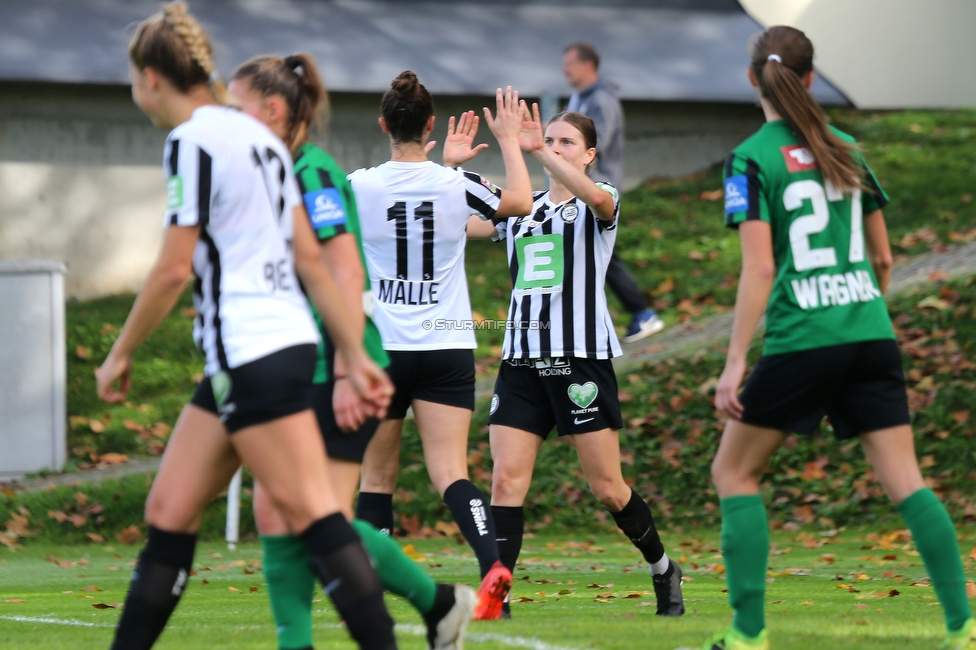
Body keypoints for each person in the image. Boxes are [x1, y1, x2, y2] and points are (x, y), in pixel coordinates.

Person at [95, 4, 398, 649]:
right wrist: (351, 349)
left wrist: (120, 352)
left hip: (249, 351)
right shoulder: (260, 140)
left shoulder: (192, 141)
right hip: (276, 344)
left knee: (314, 514)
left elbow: (175, 268)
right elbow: (309, 259)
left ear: (151, 78)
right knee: (169, 509)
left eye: (131, 80)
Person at [705, 25, 975, 650]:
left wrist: (734, 361)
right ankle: (962, 626)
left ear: (753, 79)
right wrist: (862, 316)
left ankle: (748, 633)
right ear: (809, 79)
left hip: (804, 337)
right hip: (869, 333)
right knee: (908, 483)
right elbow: (883, 260)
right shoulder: (847, 147)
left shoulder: (750, 158)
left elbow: (761, 268)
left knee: (733, 472)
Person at [227, 55, 475, 650]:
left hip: (332, 363)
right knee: (277, 511)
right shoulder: (274, 170)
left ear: (275, 109)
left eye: (236, 108)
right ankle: (436, 604)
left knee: (319, 517)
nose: (229, 122)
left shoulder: (320, 175)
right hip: (279, 358)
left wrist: (345, 366)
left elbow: (341, 271)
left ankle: (431, 605)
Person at [465, 104, 684, 619]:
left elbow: (600, 199)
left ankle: (662, 567)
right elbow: (462, 225)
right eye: (550, 141)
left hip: (580, 361)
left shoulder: (597, 203)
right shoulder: (523, 207)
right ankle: (499, 596)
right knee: (505, 480)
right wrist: (451, 170)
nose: (554, 148)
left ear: (588, 155)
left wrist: (537, 148)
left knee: (608, 489)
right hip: (520, 361)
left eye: (567, 143)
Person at [350, 72, 534, 621]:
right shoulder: (457, 185)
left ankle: (372, 591)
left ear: (384, 125)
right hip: (446, 347)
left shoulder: (358, 185)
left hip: (383, 349)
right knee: (451, 472)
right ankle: (492, 569)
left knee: (376, 479)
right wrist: (506, 141)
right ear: (431, 125)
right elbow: (520, 203)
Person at [563, 41, 663, 343]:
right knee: (590, 256)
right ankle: (630, 317)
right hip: (577, 191)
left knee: (602, 257)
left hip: (597, 189)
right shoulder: (578, 98)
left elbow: (598, 144)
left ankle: (642, 314)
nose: (564, 69)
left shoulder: (601, 100)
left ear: (587, 65)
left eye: (569, 63)